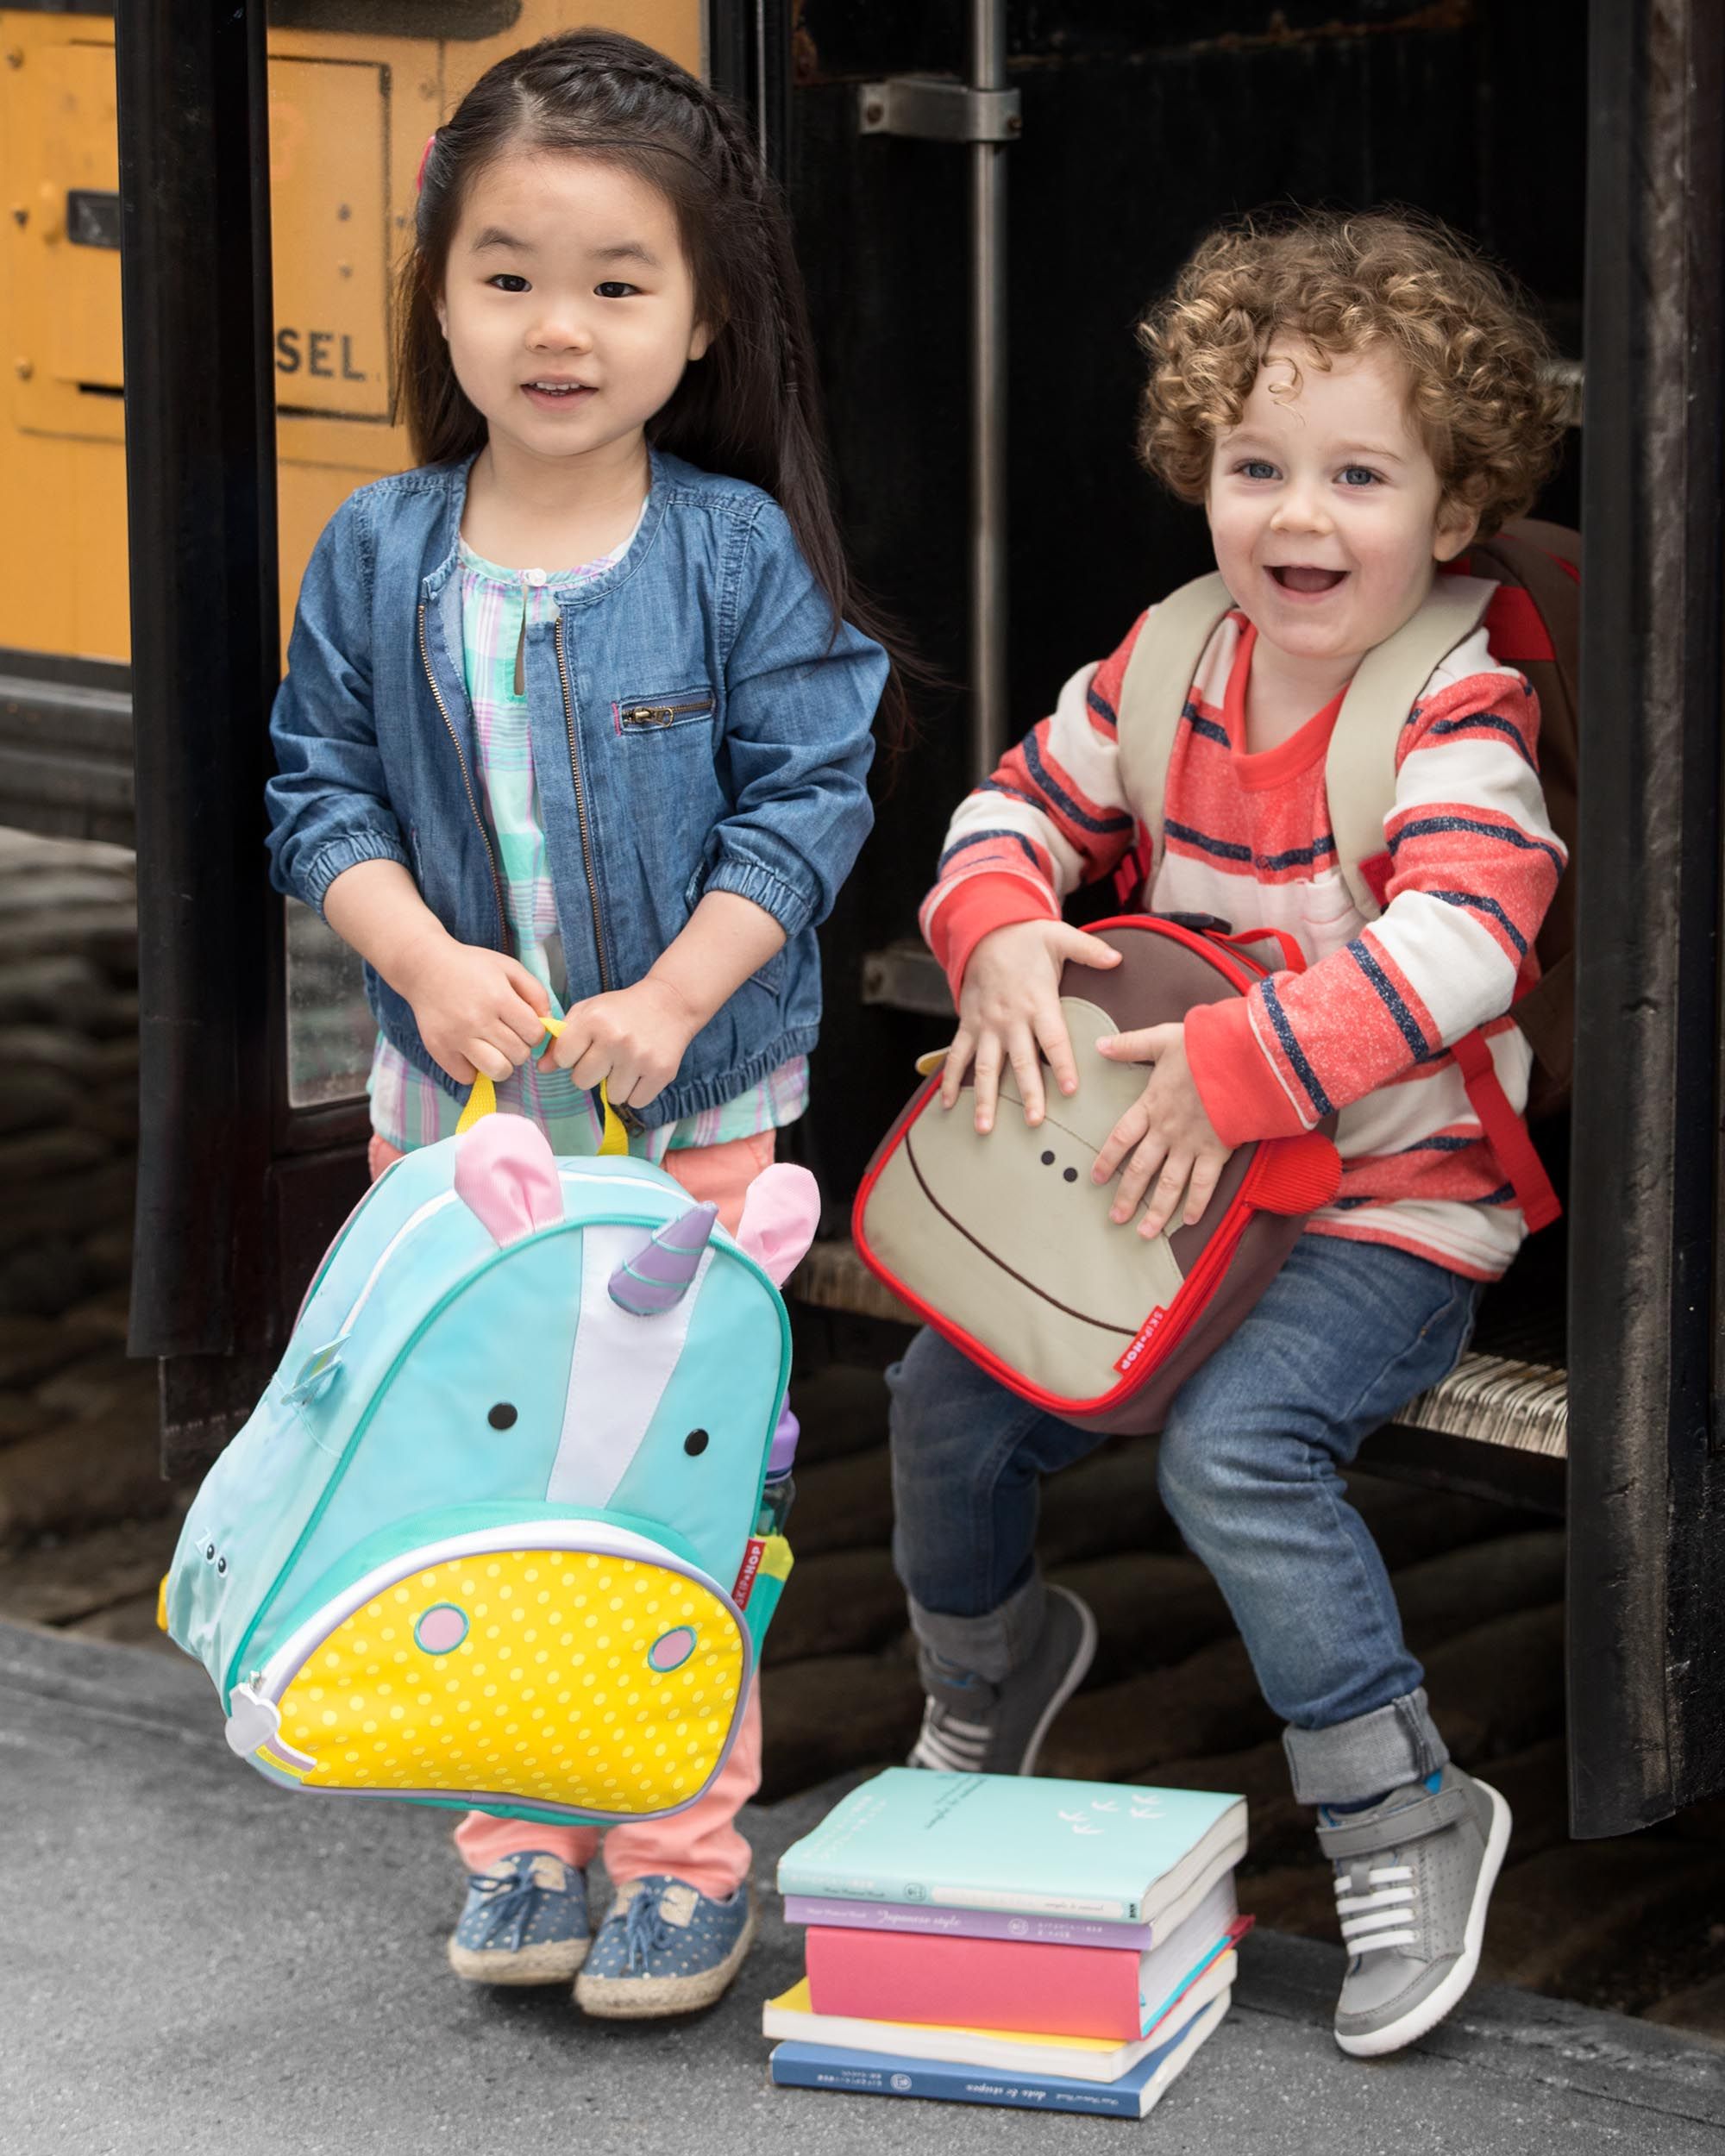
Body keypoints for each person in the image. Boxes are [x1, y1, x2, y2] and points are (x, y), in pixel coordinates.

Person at [888, 208, 1568, 2059]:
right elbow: (1013, 806)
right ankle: (988, 1668)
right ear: (1202, 466)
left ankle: (1399, 1804)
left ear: (1448, 509)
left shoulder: (1456, 701)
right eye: (1255, 464)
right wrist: (1005, 926)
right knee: (945, 1399)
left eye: (1359, 474)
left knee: (1237, 1452)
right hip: (1170, 1184)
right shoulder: (1167, 657)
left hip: (1380, 1197)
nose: (1295, 516)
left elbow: (1465, 932)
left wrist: (1243, 1061)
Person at [266, 28, 894, 2017]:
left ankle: (683, 1855)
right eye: (508, 274)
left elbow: (811, 796)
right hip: (453, 1130)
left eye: (618, 283)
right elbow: (318, 791)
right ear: (436, 294)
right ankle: (515, 1832)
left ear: (700, 320)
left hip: (689, 1119)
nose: (559, 327)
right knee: (469, 1474)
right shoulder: (378, 550)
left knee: (678, 1497)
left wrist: (679, 990)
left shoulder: (727, 553)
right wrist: (428, 967)